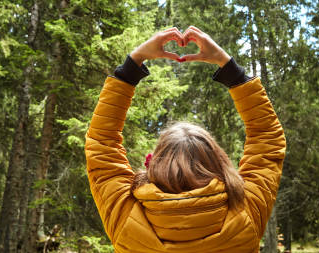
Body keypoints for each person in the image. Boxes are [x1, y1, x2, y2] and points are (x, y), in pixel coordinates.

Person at [85, 26, 286, 252]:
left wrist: (134, 63)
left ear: (156, 162)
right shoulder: (245, 214)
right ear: (218, 162)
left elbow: (102, 144)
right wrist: (228, 66)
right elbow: (268, 139)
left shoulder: (126, 218)